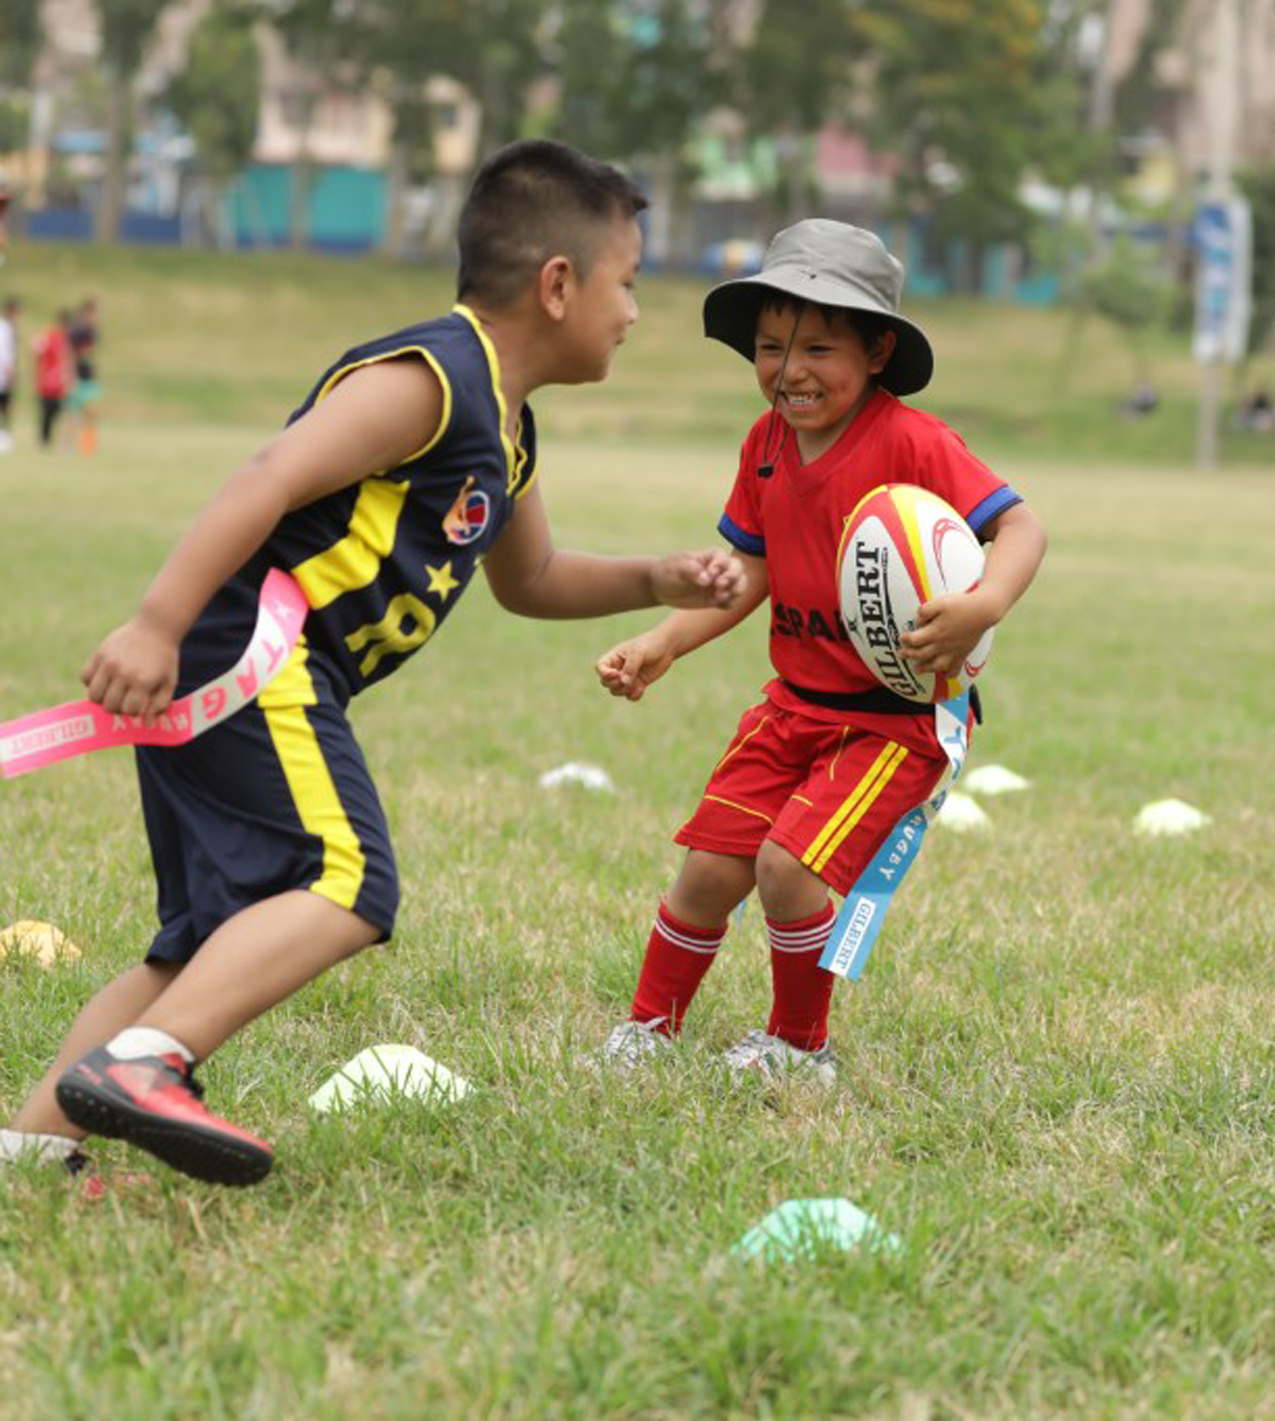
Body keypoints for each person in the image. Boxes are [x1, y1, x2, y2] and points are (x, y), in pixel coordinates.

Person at [0, 139, 747, 1188]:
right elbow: (270, 473)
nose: (634, 310)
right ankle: (143, 1064)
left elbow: (528, 580)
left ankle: (32, 1152)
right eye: (628, 284)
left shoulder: (506, 424)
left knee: (203, 939)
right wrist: (154, 626)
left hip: (249, 665)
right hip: (257, 657)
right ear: (558, 283)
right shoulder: (431, 378)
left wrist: (655, 577)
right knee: (348, 882)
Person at [586, 219, 1046, 1083]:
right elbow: (748, 570)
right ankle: (647, 1030)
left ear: (877, 350)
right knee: (709, 869)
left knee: (787, 869)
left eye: (818, 347)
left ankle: (801, 1047)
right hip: (792, 706)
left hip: (893, 722)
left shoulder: (913, 443)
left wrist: (982, 604)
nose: (789, 371)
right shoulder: (764, 445)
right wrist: (664, 640)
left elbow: (1021, 525)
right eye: (769, 347)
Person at [67, 296, 100, 456]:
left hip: (90, 378)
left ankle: (87, 446)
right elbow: (72, 354)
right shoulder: (79, 331)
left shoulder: (93, 331)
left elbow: (90, 354)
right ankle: (68, 445)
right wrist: (71, 376)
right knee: (73, 413)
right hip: (78, 378)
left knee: (91, 412)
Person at [33, 308, 70, 448]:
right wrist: (39, 372)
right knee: (46, 410)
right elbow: (37, 352)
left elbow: (66, 359)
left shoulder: (65, 339)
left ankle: (48, 437)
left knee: (57, 408)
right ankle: (44, 440)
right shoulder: (48, 335)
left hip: (58, 380)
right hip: (47, 378)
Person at [0, 296, 18, 453]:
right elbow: (4, 354)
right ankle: (3, 437)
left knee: (6, 407)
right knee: (4, 407)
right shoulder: (4, 329)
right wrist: (10, 372)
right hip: (2, 377)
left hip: (4, 377)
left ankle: (4, 436)